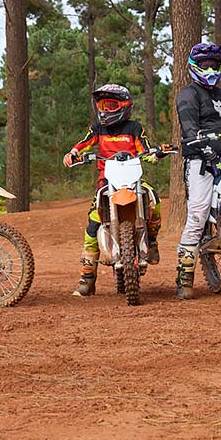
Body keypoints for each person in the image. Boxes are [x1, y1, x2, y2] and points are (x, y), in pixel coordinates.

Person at [62, 84, 162, 297]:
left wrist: (152, 154)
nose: (105, 110)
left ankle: (151, 241)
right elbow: (83, 143)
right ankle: (87, 278)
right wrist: (73, 153)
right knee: (92, 225)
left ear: (124, 106)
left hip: (133, 178)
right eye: (102, 105)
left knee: (154, 200)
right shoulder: (98, 128)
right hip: (106, 182)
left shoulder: (134, 128)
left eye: (111, 105)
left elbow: (144, 147)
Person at [174, 42, 221, 301]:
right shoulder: (188, 94)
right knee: (197, 214)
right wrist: (200, 144)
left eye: (215, 64)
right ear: (195, 67)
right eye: (205, 64)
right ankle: (184, 277)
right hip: (199, 161)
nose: (211, 68)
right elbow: (188, 128)